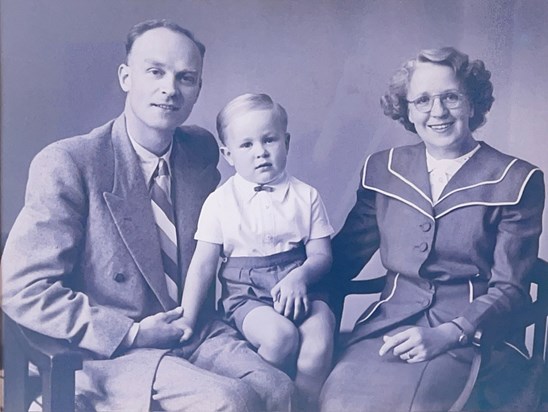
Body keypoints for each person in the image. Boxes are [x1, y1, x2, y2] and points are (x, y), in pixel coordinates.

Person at [1, 20, 294, 411]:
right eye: (155, 72)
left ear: (198, 90)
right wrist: (132, 332)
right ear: (126, 77)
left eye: (185, 78)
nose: (169, 89)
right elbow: (21, 286)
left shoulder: (200, 151)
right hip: (113, 350)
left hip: (193, 331)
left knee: (280, 391)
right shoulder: (71, 162)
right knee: (229, 402)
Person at [320, 47, 545, 411]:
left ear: (473, 104)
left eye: (451, 97)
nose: (437, 112)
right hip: (385, 329)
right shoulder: (383, 169)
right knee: (339, 400)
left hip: (470, 337)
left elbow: (510, 288)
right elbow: (340, 260)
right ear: (406, 110)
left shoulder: (517, 179)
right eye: (422, 100)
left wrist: (449, 333)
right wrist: (294, 288)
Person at [178, 93, 336, 410]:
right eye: (247, 145)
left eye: (269, 140)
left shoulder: (305, 195)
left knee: (319, 340)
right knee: (281, 338)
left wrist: (300, 277)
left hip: (301, 289)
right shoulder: (220, 202)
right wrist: (186, 321)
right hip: (246, 296)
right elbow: (203, 266)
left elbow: (321, 256)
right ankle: (268, 397)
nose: (261, 153)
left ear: (286, 142)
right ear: (228, 154)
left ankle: (304, 406)